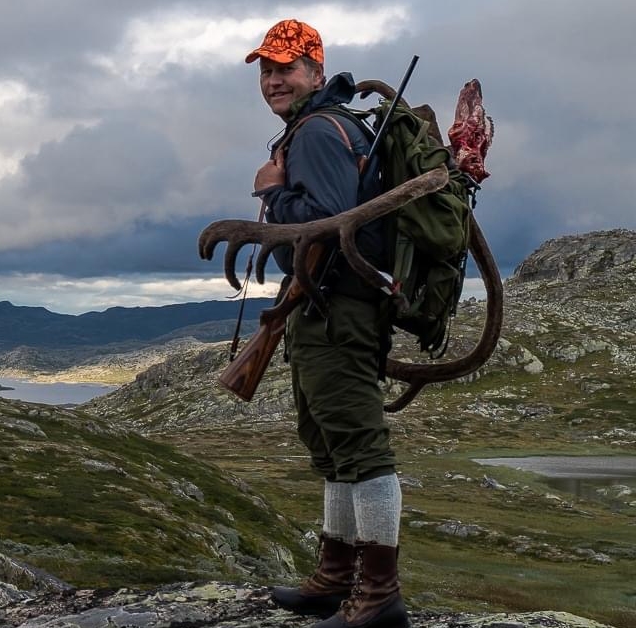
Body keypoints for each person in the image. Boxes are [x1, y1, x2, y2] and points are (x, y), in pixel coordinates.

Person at [245, 19, 409, 628]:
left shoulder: (315, 131)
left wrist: (274, 192)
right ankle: (336, 578)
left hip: (340, 305)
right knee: (332, 443)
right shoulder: (325, 125)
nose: (272, 80)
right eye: (265, 69)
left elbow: (329, 221)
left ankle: (379, 596)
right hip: (325, 306)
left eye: (285, 67)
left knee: (359, 446)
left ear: (316, 69)